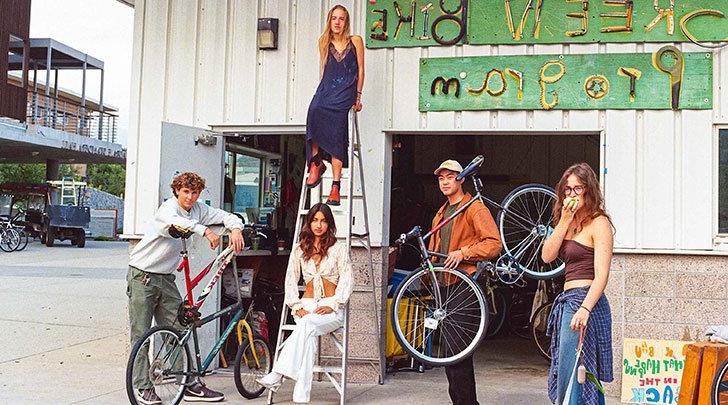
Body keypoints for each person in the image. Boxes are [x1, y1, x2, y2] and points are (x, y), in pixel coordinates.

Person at [127, 172, 244, 404]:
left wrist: (236, 229)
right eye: (185, 192)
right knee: (141, 334)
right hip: (142, 276)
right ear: (177, 192)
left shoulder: (199, 209)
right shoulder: (167, 210)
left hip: (166, 278)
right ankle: (142, 386)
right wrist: (206, 231)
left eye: (194, 192)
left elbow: (227, 217)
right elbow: (180, 224)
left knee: (179, 329)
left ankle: (188, 383)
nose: (190, 197)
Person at [256, 203, 353, 404]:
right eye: (315, 220)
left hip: (330, 306)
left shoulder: (338, 249)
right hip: (306, 305)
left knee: (306, 326)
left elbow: (348, 278)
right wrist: (296, 305)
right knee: (307, 334)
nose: (319, 225)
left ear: (329, 224)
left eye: (323, 221)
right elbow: (290, 278)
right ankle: (301, 396)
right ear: (309, 222)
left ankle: (278, 374)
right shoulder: (300, 249)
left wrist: (335, 303)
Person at [428, 159, 502, 405]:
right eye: (441, 178)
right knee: (450, 354)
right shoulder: (441, 212)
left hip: (466, 285)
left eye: (450, 176)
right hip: (444, 287)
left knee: (458, 352)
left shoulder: (474, 207)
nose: (445, 181)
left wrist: (464, 252)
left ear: (461, 179)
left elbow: (493, 243)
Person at [541, 163, 614, 405]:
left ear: (589, 191)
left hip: (585, 301)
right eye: (567, 190)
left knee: (581, 371)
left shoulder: (599, 223)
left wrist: (585, 308)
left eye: (578, 189)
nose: (572, 195)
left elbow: (601, 275)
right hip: (567, 301)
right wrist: (563, 221)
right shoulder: (567, 222)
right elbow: (547, 256)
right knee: (566, 368)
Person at [304, 4, 365, 206]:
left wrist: (358, 96)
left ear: (346, 22)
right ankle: (315, 163)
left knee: (338, 130)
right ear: (329, 21)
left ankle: (335, 186)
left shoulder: (355, 41)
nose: (337, 22)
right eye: (334, 18)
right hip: (327, 87)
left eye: (341, 19)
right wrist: (321, 92)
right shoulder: (324, 42)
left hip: (346, 90)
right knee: (314, 110)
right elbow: (323, 69)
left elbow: (361, 69)